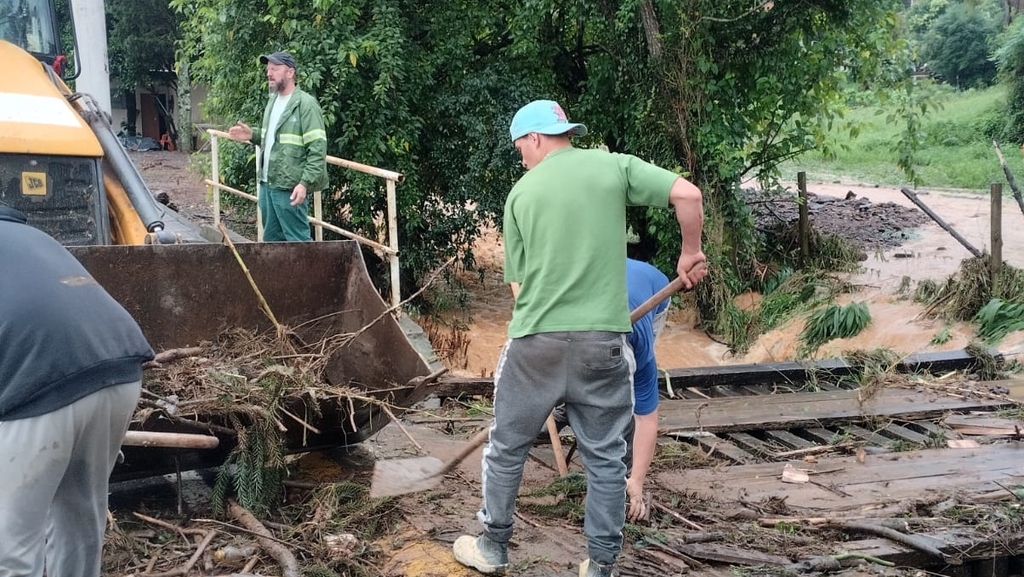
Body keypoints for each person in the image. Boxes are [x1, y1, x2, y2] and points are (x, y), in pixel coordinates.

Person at [452, 100, 706, 577]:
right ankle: (601, 565)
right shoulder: (614, 167)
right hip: (604, 345)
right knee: (607, 458)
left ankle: (493, 548)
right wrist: (689, 253)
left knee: (506, 447)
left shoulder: (520, 194)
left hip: (535, 344)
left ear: (534, 139)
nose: (521, 159)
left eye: (519, 149)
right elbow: (688, 196)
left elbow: (519, 288)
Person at [0, 205, 155, 577]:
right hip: (119, 370)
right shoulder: (33, 236)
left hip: (41, 382)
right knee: (79, 520)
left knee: (12, 547)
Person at [228, 51, 329, 242]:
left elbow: (317, 150)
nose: (269, 73)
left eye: (275, 69)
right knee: (272, 241)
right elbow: (275, 140)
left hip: (290, 187)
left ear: (290, 73)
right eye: (268, 69)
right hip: (268, 184)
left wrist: (304, 183)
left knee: (298, 242)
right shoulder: (273, 101)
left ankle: (306, 273)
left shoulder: (306, 105)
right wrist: (253, 135)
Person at [622, 258, 671, 524]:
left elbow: (647, 420)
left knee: (635, 399)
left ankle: (630, 466)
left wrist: (636, 481)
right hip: (602, 280)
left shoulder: (642, 358)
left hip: (656, 291)